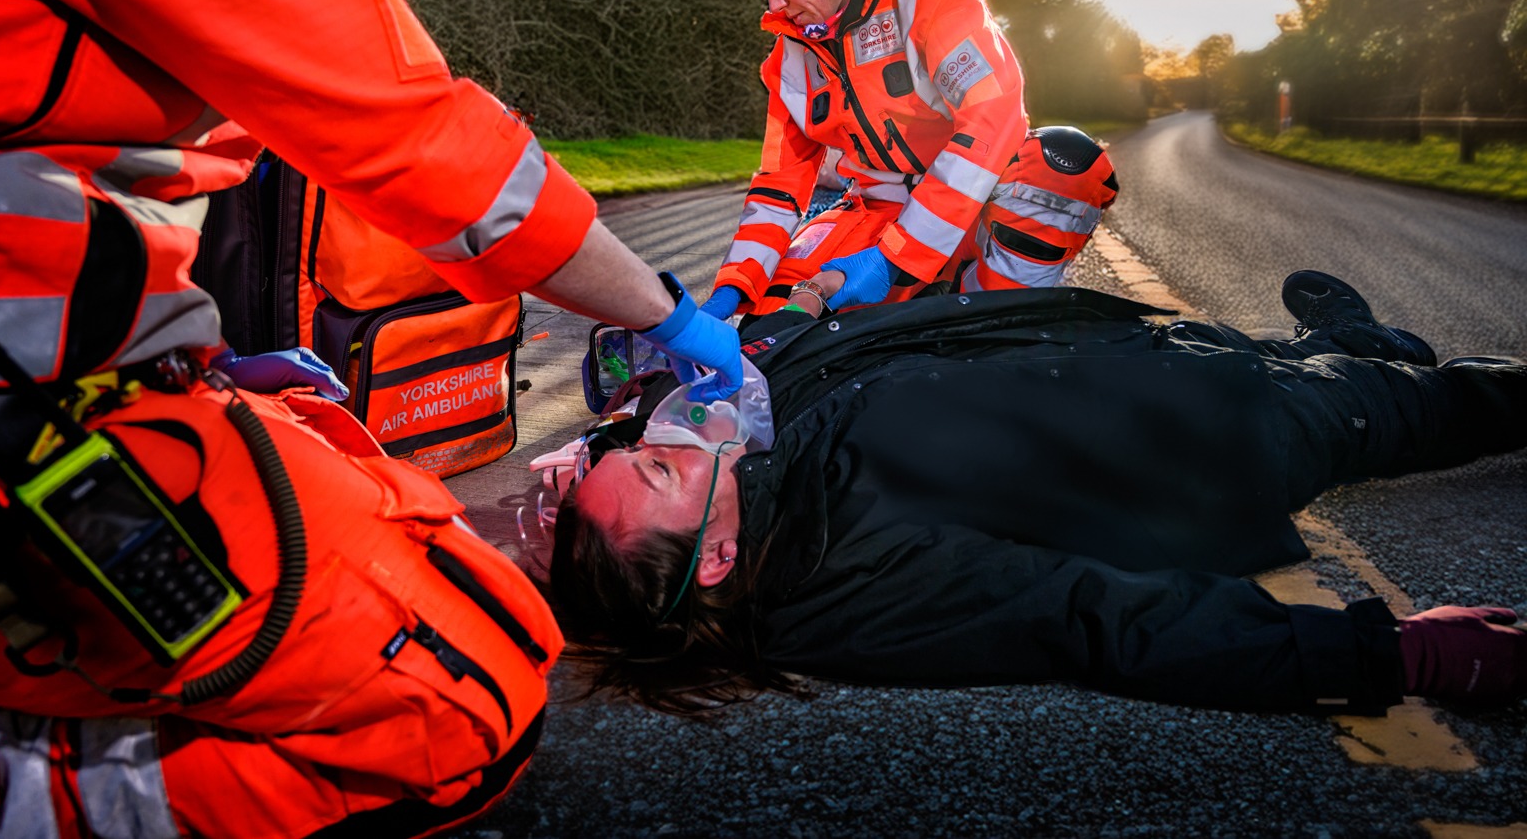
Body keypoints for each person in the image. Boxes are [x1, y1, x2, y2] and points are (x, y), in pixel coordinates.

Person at [0, 0, 740, 834]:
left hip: (18, 372)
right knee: (463, 695)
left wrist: (208, 367)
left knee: (341, 484)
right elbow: (420, 142)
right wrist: (660, 310)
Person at [546, 271, 1527, 717]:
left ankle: (1346, 341)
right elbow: (1092, 617)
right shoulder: (844, 573)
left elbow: (805, 360)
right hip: (1225, 437)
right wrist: (1390, 652)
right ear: (712, 558)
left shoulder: (756, 478)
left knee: (1297, 356)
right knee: (1455, 400)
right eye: (663, 465)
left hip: (1139, 358)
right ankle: (1369, 360)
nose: (672, 438)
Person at [702, 0, 1119, 325]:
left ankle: (988, 316)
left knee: (1062, 166)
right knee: (778, 321)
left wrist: (894, 260)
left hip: (969, 209)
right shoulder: (789, 56)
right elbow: (779, 184)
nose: (774, 6)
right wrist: (733, 286)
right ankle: (924, 304)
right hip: (874, 216)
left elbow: (994, 117)